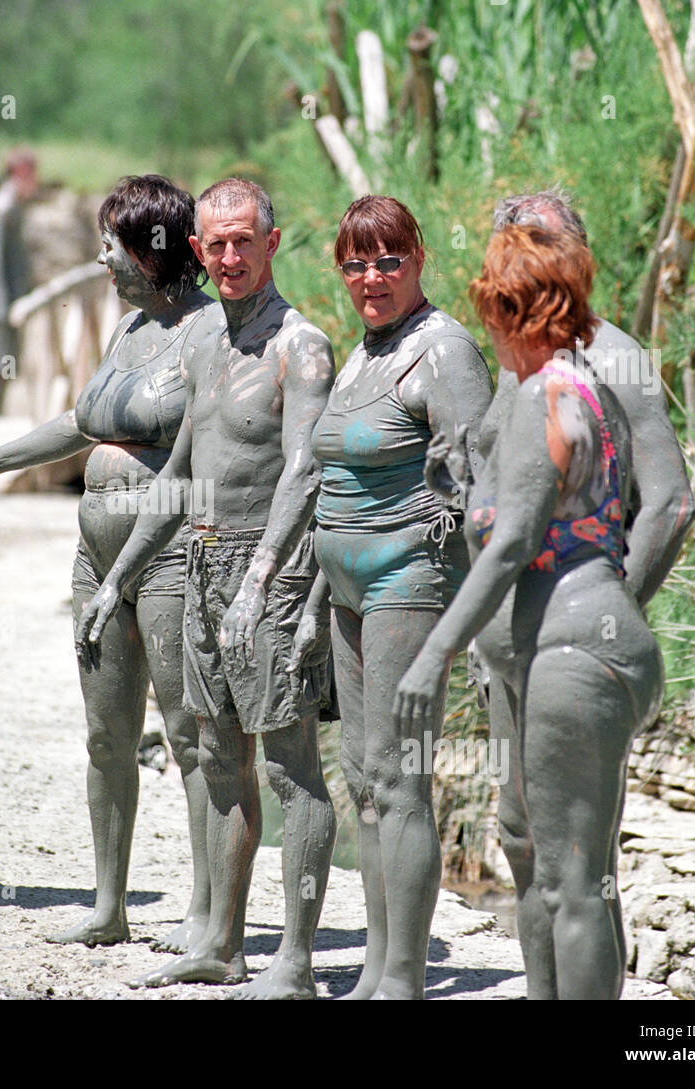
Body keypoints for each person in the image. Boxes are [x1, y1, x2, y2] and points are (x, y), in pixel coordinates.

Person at [0, 175, 220, 950]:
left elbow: (197, 465)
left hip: (163, 559)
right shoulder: (128, 330)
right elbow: (81, 419)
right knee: (106, 735)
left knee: (189, 735)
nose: (101, 259)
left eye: (113, 245)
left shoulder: (208, 334)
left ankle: (205, 912)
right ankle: (109, 905)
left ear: (154, 250)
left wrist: (130, 568)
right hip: (94, 556)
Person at [78, 178, 337, 999]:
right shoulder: (204, 346)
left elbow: (305, 467)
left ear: (273, 241)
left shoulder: (301, 345)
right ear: (198, 251)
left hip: (275, 569)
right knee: (220, 759)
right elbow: (181, 475)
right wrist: (117, 578)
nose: (229, 258)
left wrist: (263, 578)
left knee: (293, 767)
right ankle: (222, 946)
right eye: (215, 245)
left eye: (243, 242)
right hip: (202, 564)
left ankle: (293, 961)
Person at [395, 225, 664, 999]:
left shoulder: (540, 394)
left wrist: (435, 650)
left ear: (509, 310)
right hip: (601, 639)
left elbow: (512, 538)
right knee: (579, 876)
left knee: (569, 883)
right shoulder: (592, 390)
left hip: (570, 649)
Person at [484, 188, 695, 994]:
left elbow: (672, 500)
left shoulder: (617, 355)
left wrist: (610, 609)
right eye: (514, 244)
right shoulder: (517, 354)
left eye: (542, 244)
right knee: (520, 833)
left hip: (574, 639)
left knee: (582, 853)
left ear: (576, 256)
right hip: (513, 638)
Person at [308, 196, 492, 999]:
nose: (372, 277)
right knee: (363, 775)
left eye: (389, 259)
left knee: (401, 777)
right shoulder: (364, 351)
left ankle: (406, 980)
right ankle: (380, 969)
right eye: (356, 262)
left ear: (419, 257)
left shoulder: (444, 352)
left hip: (410, 580)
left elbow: (481, 490)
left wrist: (484, 631)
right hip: (346, 587)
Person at [0, 148, 38, 415]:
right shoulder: (2, 206)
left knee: (7, 360)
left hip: (12, 297)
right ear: (21, 172)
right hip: (4, 299)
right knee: (0, 361)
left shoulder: (13, 205)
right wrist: (2, 304)